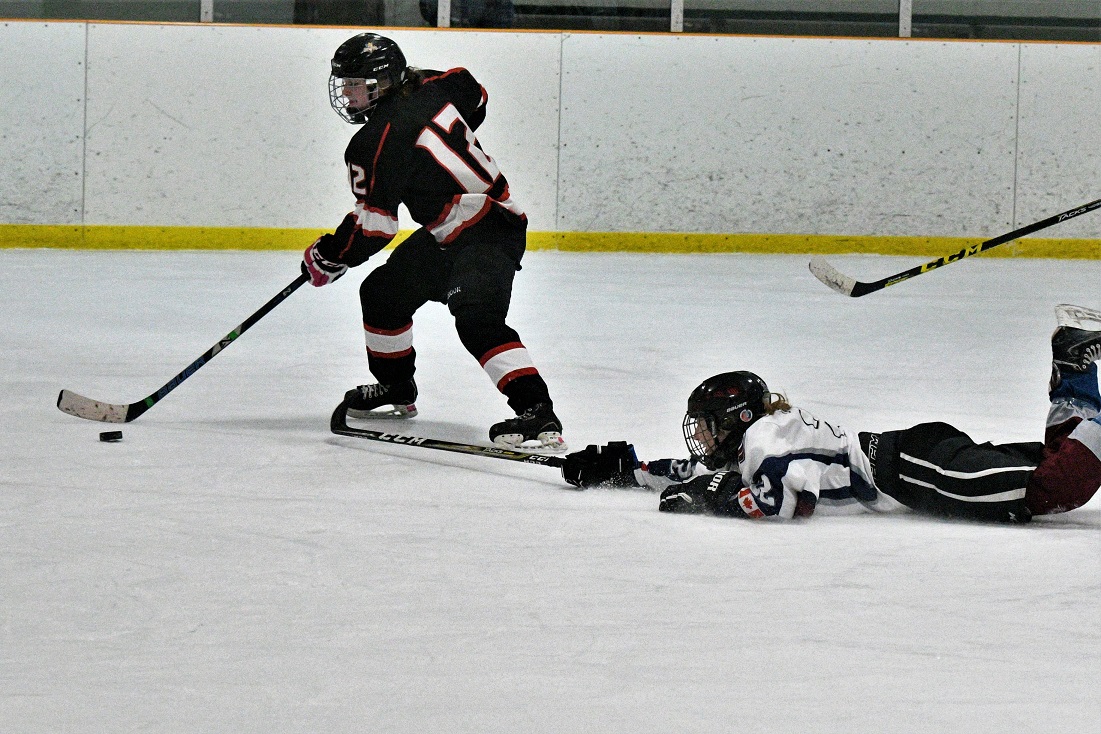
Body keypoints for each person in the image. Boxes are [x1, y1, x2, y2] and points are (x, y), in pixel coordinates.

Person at [560, 304, 1101, 523]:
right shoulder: (763, 437)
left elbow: (780, 502)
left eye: (708, 424)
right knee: (1063, 465)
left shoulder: (766, 443)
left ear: (739, 419)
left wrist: (708, 499)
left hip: (913, 468)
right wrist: (624, 466)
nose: (700, 437)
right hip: (914, 454)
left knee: (1060, 483)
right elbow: (700, 471)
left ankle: (1081, 379)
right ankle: (1076, 369)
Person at [303, 33, 565, 452]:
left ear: (384, 82)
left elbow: (375, 228)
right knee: (383, 294)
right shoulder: (440, 85)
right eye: (345, 85)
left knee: (477, 318)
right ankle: (396, 389)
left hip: (490, 230)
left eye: (357, 85)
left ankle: (537, 413)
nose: (348, 95)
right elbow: (474, 94)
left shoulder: (374, 143)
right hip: (449, 231)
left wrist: (331, 254)